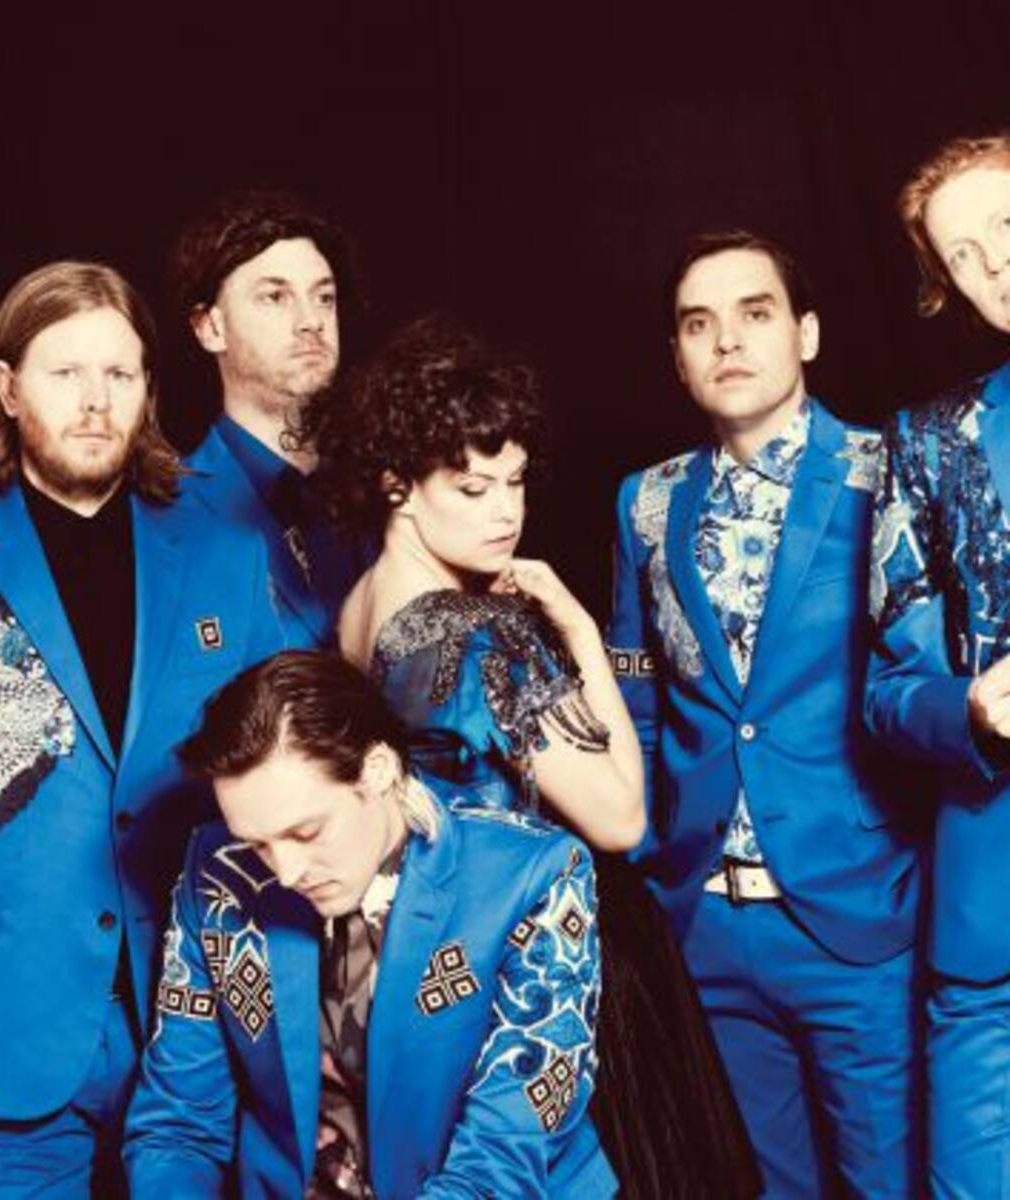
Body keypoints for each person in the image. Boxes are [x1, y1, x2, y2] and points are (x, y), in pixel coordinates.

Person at [0, 261, 294, 1197]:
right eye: (65, 372)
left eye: (119, 374)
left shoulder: (228, 558)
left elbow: (287, 767)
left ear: (148, 390)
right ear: (7, 387)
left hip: (195, 1039)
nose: (95, 401)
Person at [298, 315, 761, 1199]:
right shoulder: (480, 635)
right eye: (473, 488)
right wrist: (582, 633)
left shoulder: (360, 606)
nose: (506, 512)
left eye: (514, 482)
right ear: (397, 484)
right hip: (556, 953)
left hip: (448, 960)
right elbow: (621, 819)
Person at [607, 230, 923, 1197]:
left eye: (755, 314)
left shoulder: (887, 470)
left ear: (806, 333)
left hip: (855, 916)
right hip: (706, 917)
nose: (727, 342)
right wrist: (657, 859)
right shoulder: (646, 501)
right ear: (677, 356)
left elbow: (915, 683)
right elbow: (639, 698)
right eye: (698, 324)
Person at [124, 649, 616, 1198]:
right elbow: (179, 1125)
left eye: (307, 833)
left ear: (377, 770)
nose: (285, 872)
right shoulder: (218, 873)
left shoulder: (532, 875)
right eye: (256, 843)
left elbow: (499, 1164)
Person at [867, 132, 1010, 1197]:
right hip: (993, 937)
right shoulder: (928, 442)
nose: (994, 263)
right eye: (963, 254)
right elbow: (887, 693)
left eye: (1006, 226)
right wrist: (971, 706)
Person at [169, 189, 369, 646]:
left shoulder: (389, 486)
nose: (311, 321)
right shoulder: (168, 515)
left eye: (324, 297)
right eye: (275, 297)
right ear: (210, 328)